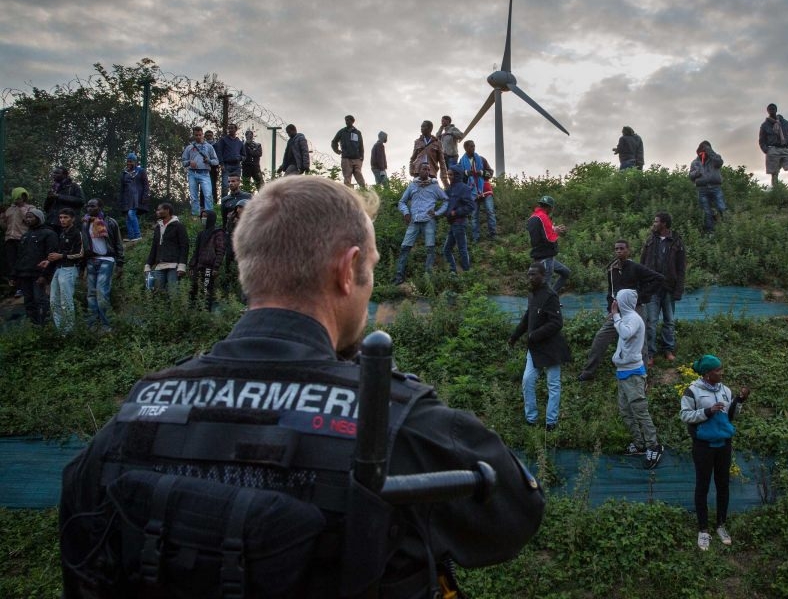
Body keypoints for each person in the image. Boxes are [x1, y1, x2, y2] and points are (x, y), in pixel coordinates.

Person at [60, 175, 545, 598]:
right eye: (370, 270)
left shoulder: (134, 414)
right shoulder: (395, 420)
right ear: (345, 269)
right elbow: (513, 518)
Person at [680, 354, 750, 551]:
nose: (722, 373)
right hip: (703, 445)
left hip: (723, 445)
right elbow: (685, 415)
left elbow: (730, 417)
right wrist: (708, 411)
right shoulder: (692, 391)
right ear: (707, 374)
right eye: (718, 370)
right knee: (702, 486)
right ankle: (703, 530)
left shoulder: (725, 390)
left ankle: (721, 525)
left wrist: (740, 401)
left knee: (723, 485)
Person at [578, 239, 663, 382]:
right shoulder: (612, 269)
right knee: (601, 337)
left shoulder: (636, 267)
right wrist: (610, 308)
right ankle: (588, 372)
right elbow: (610, 291)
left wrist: (640, 297)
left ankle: (643, 377)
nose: (619, 251)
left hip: (635, 309)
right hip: (617, 310)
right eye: (616, 249)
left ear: (628, 250)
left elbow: (658, 279)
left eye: (622, 248)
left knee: (640, 343)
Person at [508, 261, 571, 431]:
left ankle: (551, 422)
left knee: (553, 384)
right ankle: (531, 419)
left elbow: (557, 323)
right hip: (534, 348)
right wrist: (515, 336)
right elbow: (528, 317)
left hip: (551, 348)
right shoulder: (532, 295)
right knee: (527, 380)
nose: (530, 277)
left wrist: (534, 335)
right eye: (529, 274)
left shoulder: (550, 295)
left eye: (534, 274)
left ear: (543, 276)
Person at [611, 288, 664, 468]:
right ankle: (640, 443)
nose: (615, 302)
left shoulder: (633, 318)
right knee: (625, 411)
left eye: (617, 299)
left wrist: (615, 316)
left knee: (640, 412)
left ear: (623, 301)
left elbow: (625, 333)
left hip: (633, 373)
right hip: (623, 372)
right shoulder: (627, 318)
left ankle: (653, 446)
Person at [640, 212, 685, 366]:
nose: (654, 224)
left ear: (664, 224)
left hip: (669, 288)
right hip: (652, 288)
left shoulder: (677, 242)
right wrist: (642, 285)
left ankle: (668, 350)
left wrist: (678, 290)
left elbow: (681, 269)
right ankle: (650, 353)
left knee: (669, 321)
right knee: (651, 321)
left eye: (656, 221)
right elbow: (642, 263)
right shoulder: (650, 240)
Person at [392, 162, 448, 285]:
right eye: (424, 169)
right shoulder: (412, 186)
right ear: (419, 170)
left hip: (429, 221)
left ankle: (428, 278)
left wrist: (437, 213)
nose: (427, 171)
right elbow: (402, 202)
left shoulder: (434, 186)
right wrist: (406, 213)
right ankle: (399, 276)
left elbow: (446, 200)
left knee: (430, 249)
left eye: (428, 169)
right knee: (405, 248)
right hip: (414, 221)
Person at [80, 198, 124, 330]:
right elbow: (84, 245)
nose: (89, 208)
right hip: (91, 260)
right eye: (88, 206)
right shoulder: (85, 223)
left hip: (106, 259)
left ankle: (107, 326)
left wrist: (120, 263)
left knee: (101, 293)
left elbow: (118, 243)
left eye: (92, 206)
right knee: (91, 294)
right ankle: (92, 325)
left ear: (100, 207)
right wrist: (82, 266)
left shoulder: (110, 222)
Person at [13, 207, 57, 325]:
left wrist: (45, 275)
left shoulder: (49, 233)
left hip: (39, 275)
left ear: (39, 218)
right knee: (28, 301)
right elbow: (19, 257)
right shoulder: (25, 236)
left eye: (31, 217)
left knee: (41, 300)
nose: (28, 219)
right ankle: (33, 327)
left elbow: (51, 256)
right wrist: (14, 275)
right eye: (27, 217)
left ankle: (45, 328)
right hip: (24, 275)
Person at [45, 208, 84, 333]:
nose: (62, 220)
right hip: (58, 268)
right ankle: (61, 331)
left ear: (72, 219)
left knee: (66, 301)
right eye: (61, 217)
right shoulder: (61, 233)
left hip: (69, 269)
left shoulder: (77, 233)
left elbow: (81, 253)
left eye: (65, 217)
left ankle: (69, 331)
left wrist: (62, 256)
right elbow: (58, 253)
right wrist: (49, 260)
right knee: (53, 301)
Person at [144, 202, 189, 296]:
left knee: (173, 294)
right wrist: (148, 264)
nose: (157, 212)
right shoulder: (158, 227)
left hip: (173, 265)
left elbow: (184, 246)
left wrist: (182, 265)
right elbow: (154, 247)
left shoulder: (178, 226)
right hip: (159, 265)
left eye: (159, 209)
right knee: (158, 294)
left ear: (167, 210)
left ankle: (175, 310)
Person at [527, 196, 570, 293]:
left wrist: (553, 229)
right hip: (545, 257)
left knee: (565, 272)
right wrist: (557, 232)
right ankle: (544, 303)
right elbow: (549, 239)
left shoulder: (533, 217)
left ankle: (552, 296)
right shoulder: (543, 217)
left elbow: (541, 233)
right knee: (545, 286)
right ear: (550, 207)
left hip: (540, 255)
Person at [459, 140, 497, 241]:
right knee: (474, 215)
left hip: (485, 189)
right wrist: (466, 173)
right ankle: (476, 238)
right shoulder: (461, 162)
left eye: (474, 146)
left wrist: (482, 172)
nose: (473, 148)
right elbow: (459, 176)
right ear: (466, 148)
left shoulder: (481, 159)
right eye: (471, 146)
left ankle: (493, 235)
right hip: (471, 192)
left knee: (490, 211)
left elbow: (491, 172)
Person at [188, 208, 225, 311]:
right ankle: (194, 313)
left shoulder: (218, 232)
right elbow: (196, 251)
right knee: (193, 289)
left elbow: (220, 251)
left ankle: (205, 313)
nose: (203, 218)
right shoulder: (201, 233)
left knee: (206, 290)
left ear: (211, 218)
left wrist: (216, 267)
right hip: (198, 266)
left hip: (209, 267)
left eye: (206, 216)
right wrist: (191, 265)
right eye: (202, 216)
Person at [759, 103, 788, 188]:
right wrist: (766, 150)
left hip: (785, 149)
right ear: (767, 111)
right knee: (774, 173)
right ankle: (776, 191)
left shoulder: (785, 123)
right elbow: (762, 139)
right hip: (773, 149)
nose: (772, 110)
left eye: (773, 109)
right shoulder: (765, 125)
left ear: (776, 110)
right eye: (770, 109)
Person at [441, 165, 474, 276]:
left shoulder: (464, 188)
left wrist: (456, 212)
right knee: (446, 250)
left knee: (462, 249)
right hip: (453, 224)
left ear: (457, 175)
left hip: (459, 223)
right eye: (448, 174)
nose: (449, 176)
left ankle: (467, 274)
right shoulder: (449, 189)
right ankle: (453, 271)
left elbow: (470, 206)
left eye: (451, 174)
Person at [2, 187, 35, 293]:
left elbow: (29, 221)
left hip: (22, 238)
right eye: (17, 198)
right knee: (11, 262)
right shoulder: (9, 209)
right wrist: (1, 218)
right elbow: (4, 226)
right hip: (9, 238)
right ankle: (15, 285)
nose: (19, 200)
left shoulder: (30, 208)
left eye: (21, 198)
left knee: (22, 262)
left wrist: (21, 209)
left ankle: (22, 287)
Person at [688, 140, 726, 232]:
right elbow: (690, 176)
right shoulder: (695, 162)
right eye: (703, 148)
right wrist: (697, 173)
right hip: (702, 189)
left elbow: (719, 162)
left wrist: (709, 151)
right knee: (706, 212)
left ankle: (726, 227)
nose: (704, 150)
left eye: (707, 148)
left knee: (722, 208)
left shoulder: (715, 159)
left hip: (715, 187)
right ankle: (710, 232)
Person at [182, 126, 219, 216]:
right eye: (196, 135)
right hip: (192, 173)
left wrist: (209, 161)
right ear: (193, 135)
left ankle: (209, 216)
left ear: (202, 135)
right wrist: (189, 162)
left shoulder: (209, 147)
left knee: (208, 195)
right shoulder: (189, 147)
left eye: (200, 135)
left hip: (205, 173)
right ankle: (195, 215)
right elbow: (183, 162)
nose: (198, 137)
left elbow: (216, 161)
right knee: (194, 196)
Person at [43, 166, 86, 233]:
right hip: (51, 224)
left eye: (57, 173)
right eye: (54, 173)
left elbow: (81, 201)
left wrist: (59, 196)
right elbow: (46, 208)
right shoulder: (53, 188)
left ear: (65, 175)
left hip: (67, 224)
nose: (54, 174)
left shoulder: (73, 186)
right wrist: (49, 199)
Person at [119, 152, 150, 242]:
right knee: (128, 217)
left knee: (131, 214)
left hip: (137, 196)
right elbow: (122, 188)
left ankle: (137, 234)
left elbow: (146, 185)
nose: (129, 163)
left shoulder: (141, 171)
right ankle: (131, 236)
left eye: (131, 161)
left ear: (135, 162)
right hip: (127, 197)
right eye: (128, 161)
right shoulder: (124, 173)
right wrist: (121, 199)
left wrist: (145, 196)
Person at [410, 120, 447, 189]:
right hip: (418, 172)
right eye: (421, 126)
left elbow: (442, 161)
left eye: (423, 126)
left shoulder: (437, 142)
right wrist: (411, 170)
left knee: (432, 192)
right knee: (416, 192)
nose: (421, 128)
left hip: (431, 172)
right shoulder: (417, 142)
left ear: (430, 128)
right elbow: (412, 158)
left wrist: (444, 175)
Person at [331, 115, 366, 188]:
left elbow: (361, 145)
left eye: (348, 120)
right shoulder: (342, 131)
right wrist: (337, 150)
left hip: (357, 158)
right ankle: (348, 193)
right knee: (347, 176)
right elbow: (334, 142)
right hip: (346, 158)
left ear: (352, 121)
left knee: (358, 173)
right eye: (346, 120)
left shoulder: (357, 132)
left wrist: (362, 157)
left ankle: (364, 190)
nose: (347, 122)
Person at [216, 123, 245, 196]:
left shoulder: (239, 142)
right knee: (225, 185)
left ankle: (235, 202)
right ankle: (225, 203)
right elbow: (219, 152)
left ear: (236, 129)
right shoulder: (223, 140)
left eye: (232, 128)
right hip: (226, 166)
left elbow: (244, 155)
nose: (230, 130)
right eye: (229, 128)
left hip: (237, 166)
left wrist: (239, 158)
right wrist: (221, 163)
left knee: (236, 185)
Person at [205, 129, 223, 203]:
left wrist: (220, 164)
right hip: (204, 168)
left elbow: (219, 155)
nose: (209, 137)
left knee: (213, 185)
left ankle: (214, 202)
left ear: (212, 136)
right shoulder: (203, 145)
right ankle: (203, 204)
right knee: (204, 187)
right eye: (207, 136)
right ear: (205, 136)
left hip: (213, 168)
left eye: (210, 135)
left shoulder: (216, 145)